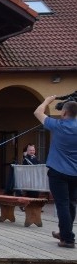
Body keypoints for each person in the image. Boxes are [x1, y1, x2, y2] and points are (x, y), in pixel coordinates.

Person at [34, 96, 77, 248]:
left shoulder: (59, 125)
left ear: (64, 113)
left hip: (58, 172)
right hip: (75, 173)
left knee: (62, 204)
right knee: (71, 203)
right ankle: (65, 232)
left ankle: (67, 238)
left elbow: (38, 112)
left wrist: (47, 101)